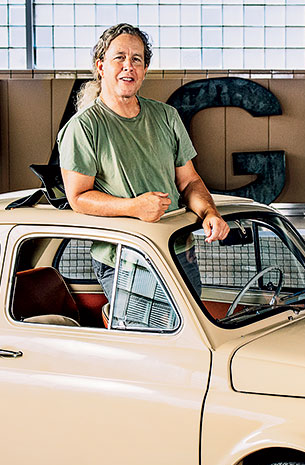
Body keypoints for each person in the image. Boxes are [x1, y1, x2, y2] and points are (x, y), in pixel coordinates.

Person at [57, 23, 228, 300]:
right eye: (119, 58)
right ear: (101, 67)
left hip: (179, 253)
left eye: (137, 59)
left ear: (145, 69)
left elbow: (189, 181)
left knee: (189, 343)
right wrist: (134, 207)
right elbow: (78, 198)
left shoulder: (167, 117)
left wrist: (210, 213)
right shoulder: (83, 128)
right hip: (125, 259)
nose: (129, 66)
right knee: (149, 342)